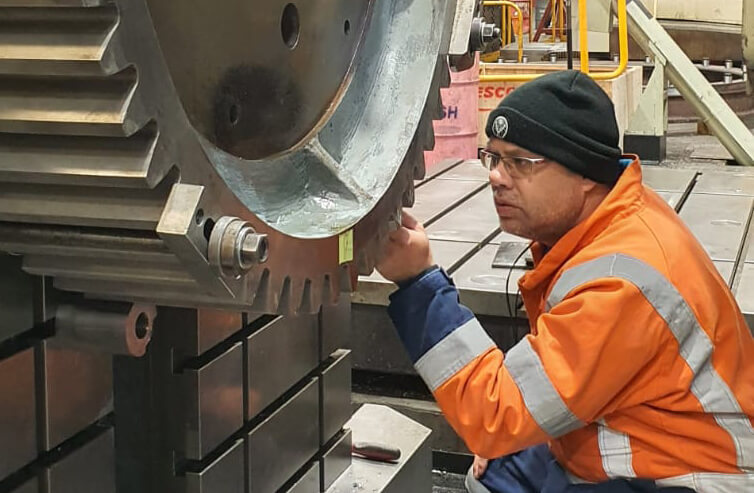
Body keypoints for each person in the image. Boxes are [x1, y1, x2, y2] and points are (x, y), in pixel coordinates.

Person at [376, 71, 754, 492]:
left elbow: (495, 415)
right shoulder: (607, 222)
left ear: (586, 173)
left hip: (691, 477)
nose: (496, 177)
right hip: (634, 442)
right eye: (494, 157)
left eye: (521, 162)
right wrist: (513, 429)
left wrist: (420, 283)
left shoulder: (620, 283)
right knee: (498, 472)